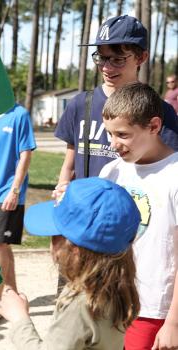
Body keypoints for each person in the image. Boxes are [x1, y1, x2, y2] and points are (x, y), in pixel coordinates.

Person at [52, 14, 178, 294]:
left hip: (123, 233)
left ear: (141, 57)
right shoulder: (80, 103)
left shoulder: (158, 111)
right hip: (82, 225)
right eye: (101, 57)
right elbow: (70, 157)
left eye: (117, 59)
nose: (107, 67)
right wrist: (62, 186)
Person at [0, 177, 141, 349]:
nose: (51, 243)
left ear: (73, 249)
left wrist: (19, 318)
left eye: (53, 235)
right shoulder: (116, 286)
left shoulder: (81, 302)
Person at [99, 82, 178, 350]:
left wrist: (173, 323)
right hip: (110, 303)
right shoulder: (111, 172)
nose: (114, 144)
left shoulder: (174, 175)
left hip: (153, 311)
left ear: (154, 126)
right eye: (109, 134)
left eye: (122, 134)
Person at [0, 103, 36, 321]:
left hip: (8, 192)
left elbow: (25, 155)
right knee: (1, 245)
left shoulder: (19, 114)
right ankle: (13, 294)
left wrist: (15, 190)